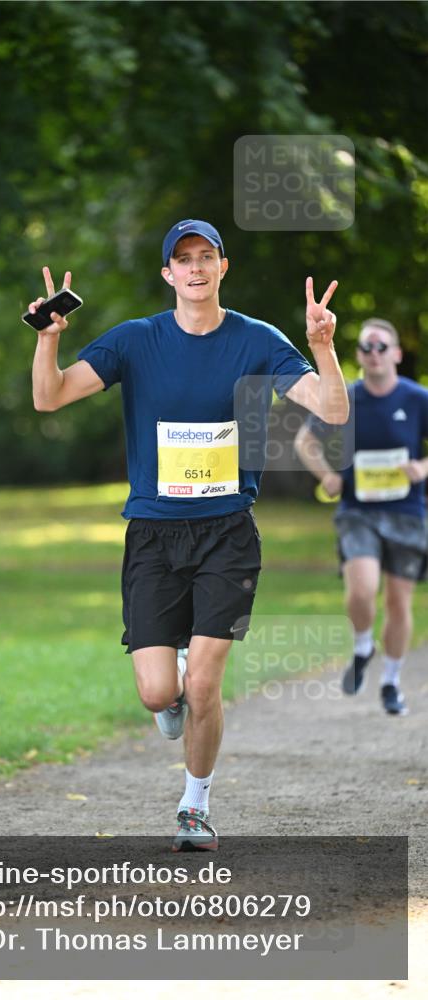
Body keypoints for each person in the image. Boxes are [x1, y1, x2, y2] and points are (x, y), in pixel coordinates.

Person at [29, 219, 348, 850]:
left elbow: (334, 409)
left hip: (228, 533)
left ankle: (194, 806)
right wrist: (48, 339)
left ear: (222, 268)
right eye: (183, 259)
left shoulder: (258, 340)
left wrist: (324, 346)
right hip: (152, 535)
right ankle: (171, 678)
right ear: (168, 274)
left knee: (204, 685)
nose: (196, 268)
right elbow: (50, 397)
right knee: (159, 694)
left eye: (207, 257)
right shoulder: (135, 340)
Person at [295, 318, 428, 716]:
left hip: (406, 513)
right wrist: (328, 477)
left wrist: (423, 468)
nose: (373, 354)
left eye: (381, 346)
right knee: (361, 589)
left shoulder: (416, 398)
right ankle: (363, 644)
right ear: (358, 356)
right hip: (358, 511)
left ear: (397, 354)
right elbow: (305, 440)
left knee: (400, 602)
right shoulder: (346, 399)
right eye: (366, 347)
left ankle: (390, 679)